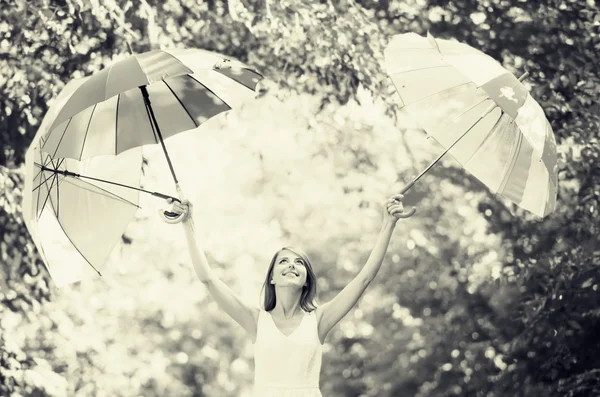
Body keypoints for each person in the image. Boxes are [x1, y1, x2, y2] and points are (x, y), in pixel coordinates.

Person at [164, 194, 415, 397]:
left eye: (299, 262)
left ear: (306, 280)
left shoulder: (319, 320)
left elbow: (364, 279)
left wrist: (388, 224)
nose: (292, 265)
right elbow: (208, 279)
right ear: (272, 277)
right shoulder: (255, 320)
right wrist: (189, 223)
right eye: (283, 261)